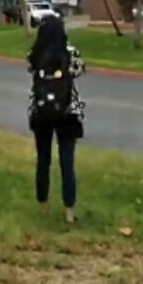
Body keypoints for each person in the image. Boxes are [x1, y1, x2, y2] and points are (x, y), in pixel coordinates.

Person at [27, 15, 86, 224]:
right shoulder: (70, 53)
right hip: (67, 111)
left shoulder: (35, 55)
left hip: (41, 111)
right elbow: (81, 69)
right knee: (67, 162)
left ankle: (42, 206)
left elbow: (30, 69)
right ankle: (69, 212)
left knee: (43, 160)